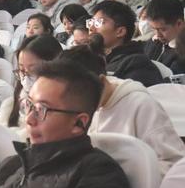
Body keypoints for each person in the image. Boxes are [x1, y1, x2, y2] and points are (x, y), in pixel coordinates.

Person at [0, 60, 134, 188]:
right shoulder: (12, 165)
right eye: (28, 105)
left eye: (41, 109)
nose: (29, 119)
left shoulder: (100, 175)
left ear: (79, 123)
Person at [59, 45, 185, 176]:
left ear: (102, 80)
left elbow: (174, 164)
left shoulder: (141, 105)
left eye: (82, 94)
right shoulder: (75, 107)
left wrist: (126, 171)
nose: (77, 103)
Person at [0, 35, 62, 140]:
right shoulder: (10, 106)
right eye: (22, 71)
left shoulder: (62, 112)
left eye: (33, 71)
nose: (25, 78)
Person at [88, 1, 163, 86]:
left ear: (120, 31)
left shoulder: (137, 64)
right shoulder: (92, 60)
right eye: (91, 22)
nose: (91, 28)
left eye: (98, 23)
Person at [144, 0, 185, 74]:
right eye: (153, 29)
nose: (158, 35)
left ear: (179, 24)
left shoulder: (181, 54)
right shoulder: (154, 42)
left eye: (163, 29)